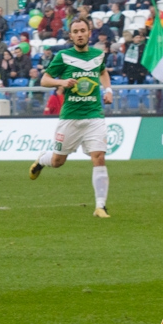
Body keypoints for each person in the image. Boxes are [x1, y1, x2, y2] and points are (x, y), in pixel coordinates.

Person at [28, 18, 113, 218]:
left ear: (89, 33)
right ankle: (42, 160)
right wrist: (62, 81)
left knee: (99, 157)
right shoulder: (63, 56)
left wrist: (108, 90)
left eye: (83, 30)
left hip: (94, 115)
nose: (80, 34)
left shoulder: (99, 55)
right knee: (58, 161)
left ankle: (100, 206)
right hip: (70, 117)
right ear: (71, 35)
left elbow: (103, 72)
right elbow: (44, 80)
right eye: (76, 31)